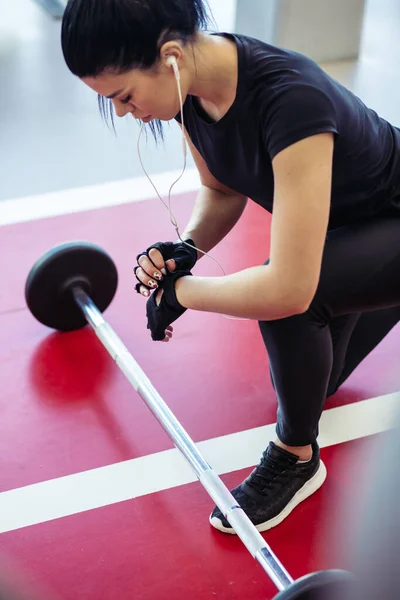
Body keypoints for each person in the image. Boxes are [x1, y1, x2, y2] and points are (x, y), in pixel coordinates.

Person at [61, 0, 400, 535]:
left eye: (124, 96)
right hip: (348, 231)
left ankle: (296, 456)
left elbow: (287, 289)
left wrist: (184, 293)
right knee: (314, 379)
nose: (126, 113)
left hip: (392, 216)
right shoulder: (192, 92)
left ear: (169, 56)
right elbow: (221, 189)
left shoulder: (293, 102)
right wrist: (186, 250)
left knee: (292, 308)